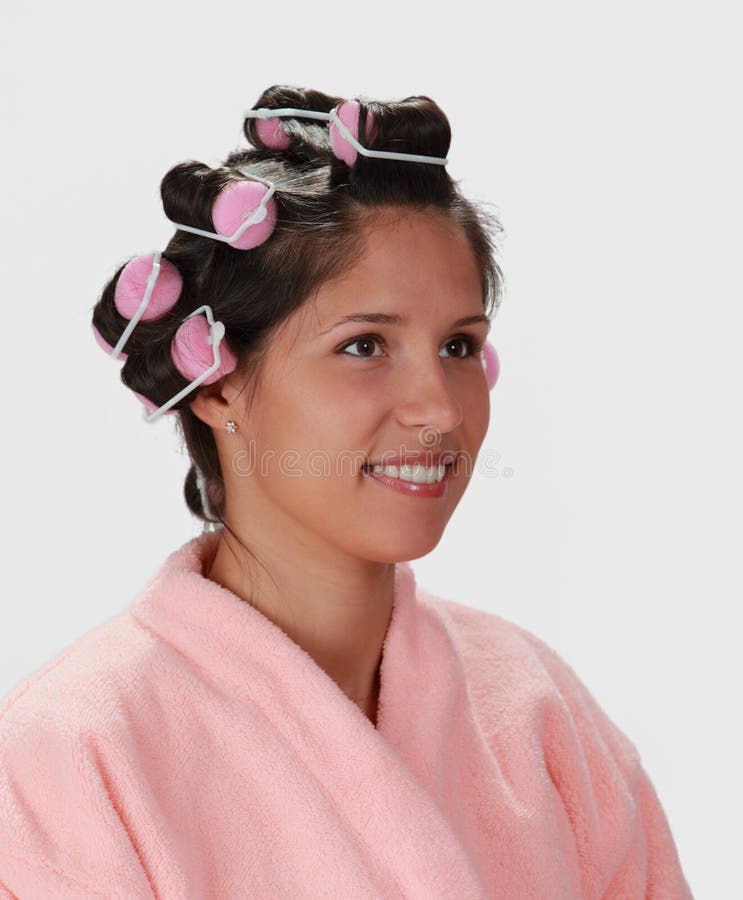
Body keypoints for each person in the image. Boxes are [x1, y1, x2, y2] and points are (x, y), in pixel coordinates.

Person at [0, 85, 693, 898]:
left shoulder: (540, 709)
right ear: (218, 385)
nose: (438, 407)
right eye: (365, 344)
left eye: (458, 346)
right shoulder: (72, 756)